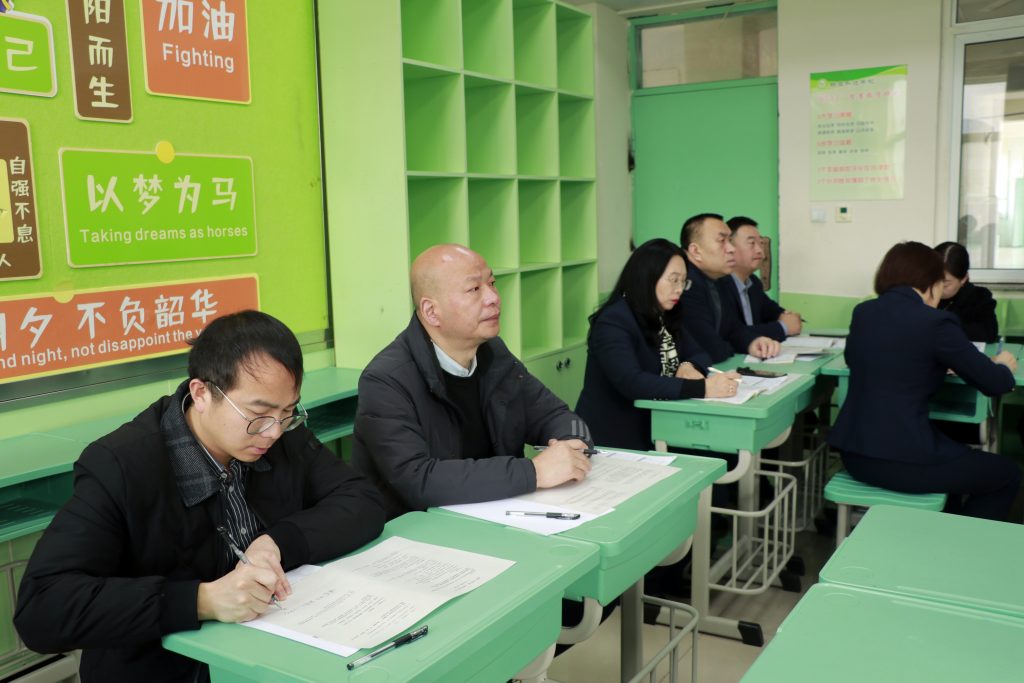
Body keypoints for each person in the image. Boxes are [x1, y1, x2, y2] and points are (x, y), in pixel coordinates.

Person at [14, 311, 386, 682]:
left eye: (288, 411)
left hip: (269, 657)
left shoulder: (280, 433)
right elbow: (41, 608)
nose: (273, 432)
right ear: (202, 393)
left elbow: (362, 499)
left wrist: (276, 543)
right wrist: (201, 601)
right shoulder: (123, 466)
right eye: (258, 413)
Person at [352, 244, 593, 520]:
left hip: (493, 514)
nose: (493, 298)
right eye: (474, 289)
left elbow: (553, 414)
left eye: (492, 283)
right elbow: (419, 480)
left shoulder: (493, 353)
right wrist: (534, 472)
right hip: (418, 528)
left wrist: (572, 446)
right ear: (431, 311)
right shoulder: (385, 381)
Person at [829, 242, 1020, 520]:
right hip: (901, 459)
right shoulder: (937, 322)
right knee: (1006, 475)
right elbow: (996, 383)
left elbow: (856, 358)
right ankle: (957, 542)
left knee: (955, 468)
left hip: (854, 454)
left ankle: (939, 526)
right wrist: (1003, 365)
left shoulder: (864, 312)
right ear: (931, 282)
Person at [575, 238, 742, 451]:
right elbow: (632, 382)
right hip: (613, 436)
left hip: (659, 427)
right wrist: (704, 388)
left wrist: (688, 365)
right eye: (673, 280)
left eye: (683, 281)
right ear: (647, 277)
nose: (679, 289)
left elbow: (701, 353)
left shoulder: (664, 315)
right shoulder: (614, 321)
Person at [678, 213, 782, 363]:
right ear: (695, 251)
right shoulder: (684, 284)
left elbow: (733, 330)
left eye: (730, 241)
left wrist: (753, 342)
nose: (731, 249)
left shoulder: (717, 279)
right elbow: (712, 349)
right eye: (722, 241)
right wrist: (729, 346)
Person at [724, 216, 802, 340]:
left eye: (761, 243)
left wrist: (787, 317)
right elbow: (732, 334)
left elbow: (772, 311)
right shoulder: (719, 285)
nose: (760, 250)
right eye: (751, 243)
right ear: (729, 247)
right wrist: (783, 327)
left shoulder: (753, 282)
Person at [935, 241, 998, 343]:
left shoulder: (979, 297)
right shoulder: (921, 293)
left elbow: (989, 335)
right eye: (933, 280)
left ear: (964, 278)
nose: (937, 287)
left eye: (946, 284)